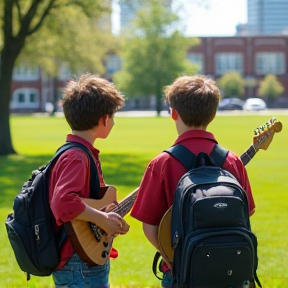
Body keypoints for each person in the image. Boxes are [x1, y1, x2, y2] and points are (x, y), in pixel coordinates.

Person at [130, 75, 255, 287]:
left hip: (181, 272)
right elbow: (247, 212)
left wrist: (173, 258)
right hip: (229, 269)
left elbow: (150, 226)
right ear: (213, 114)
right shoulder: (232, 160)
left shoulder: (162, 163)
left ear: (173, 113)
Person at [49, 73, 130, 288]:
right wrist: (102, 220)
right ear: (104, 119)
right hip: (78, 265)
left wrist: (108, 220)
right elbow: (63, 202)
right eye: (112, 116)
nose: (113, 122)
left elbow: (85, 204)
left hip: (84, 258)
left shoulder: (81, 152)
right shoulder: (77, 156)